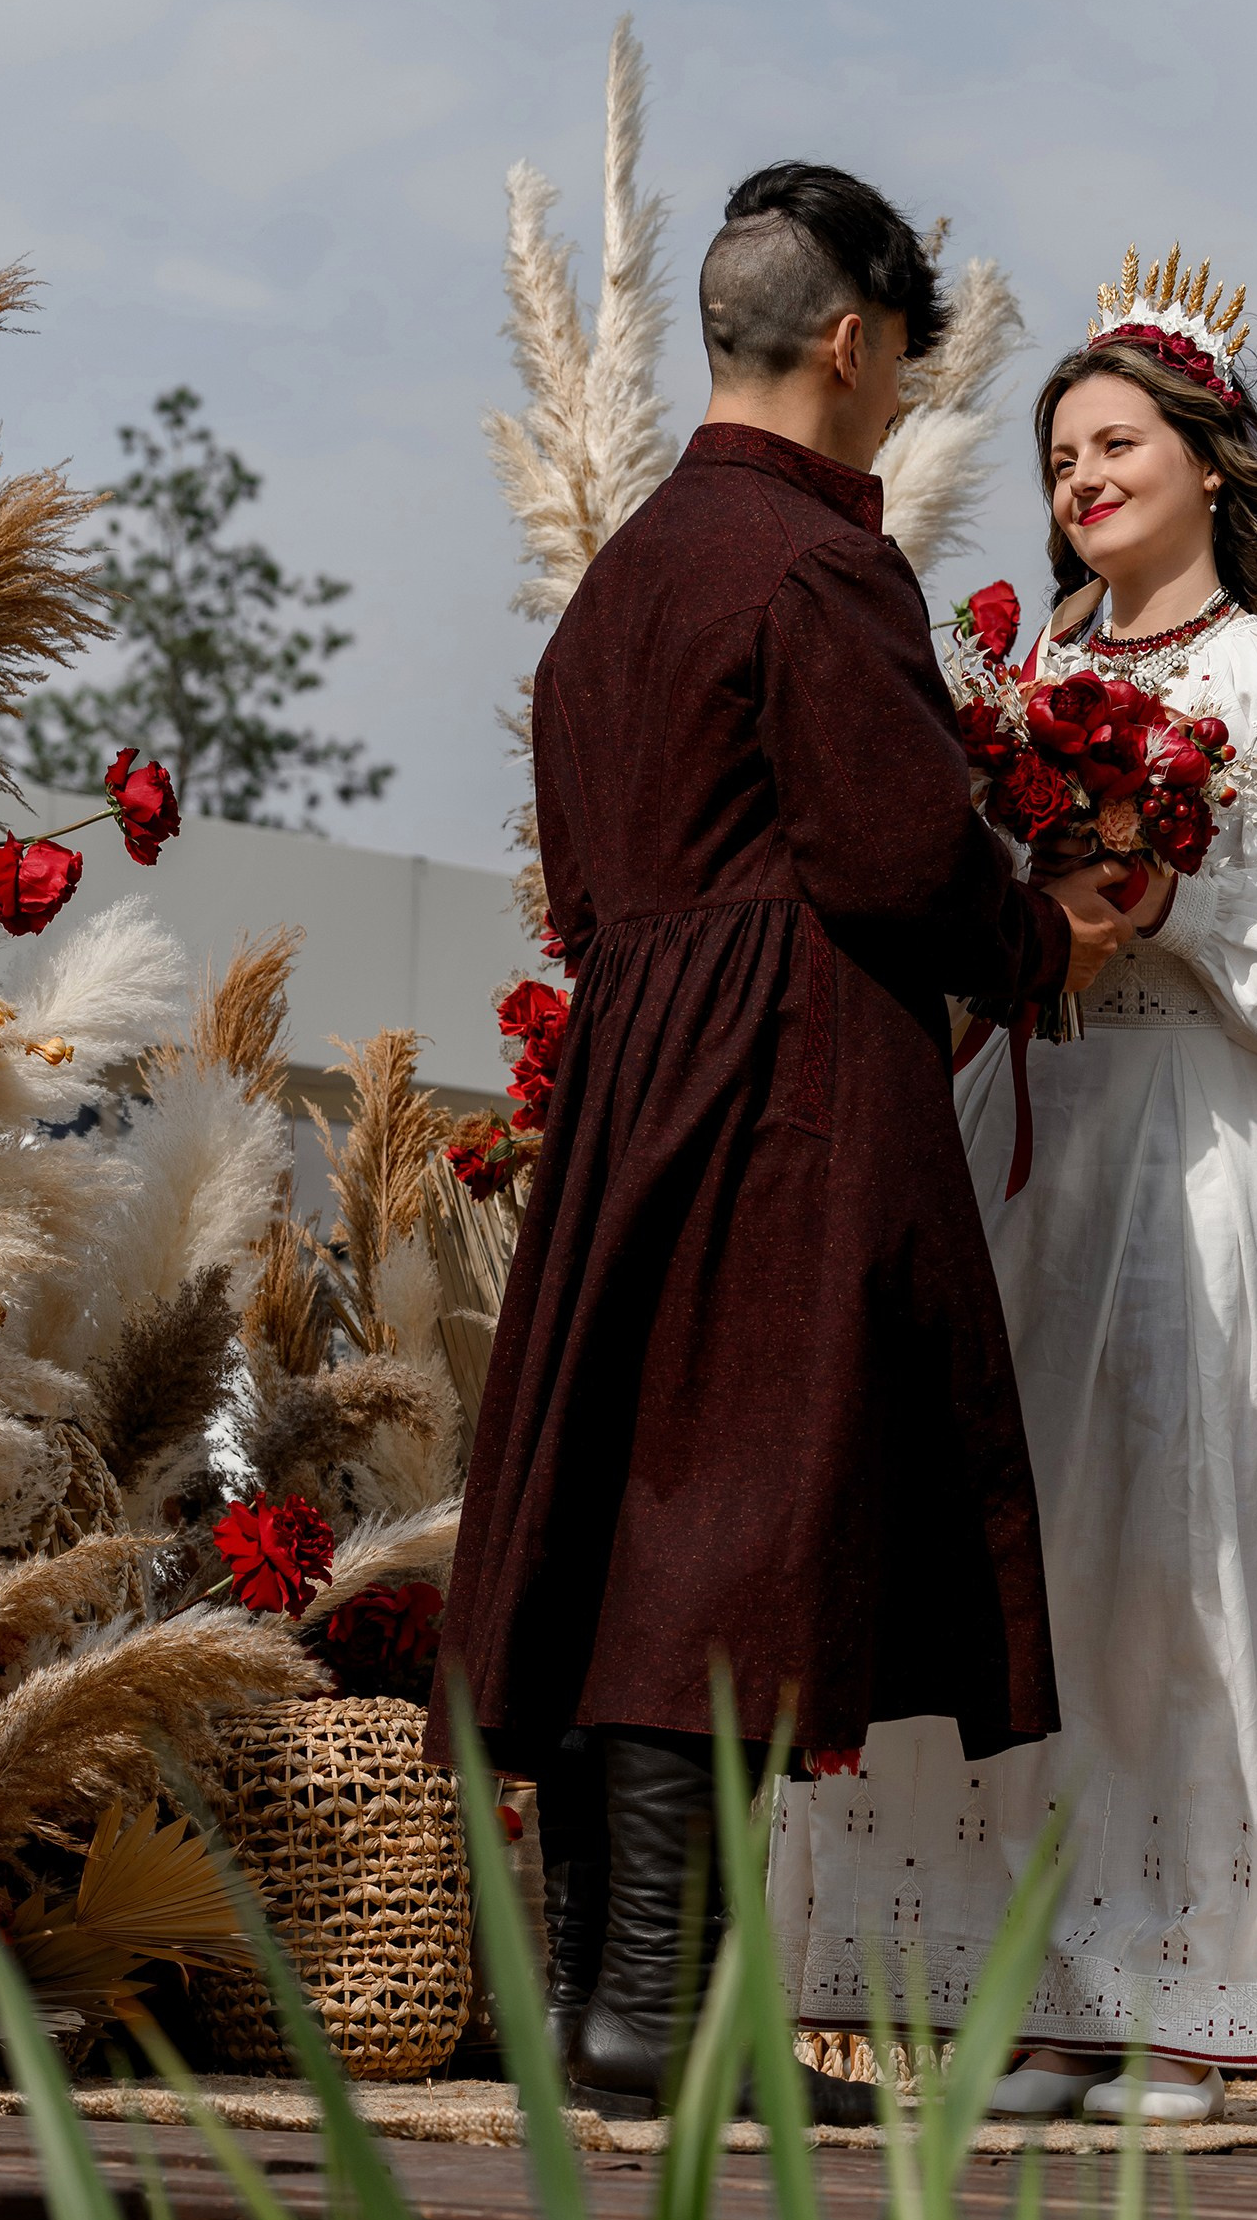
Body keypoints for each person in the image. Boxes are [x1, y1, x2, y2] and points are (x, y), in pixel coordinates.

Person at [435, 163, 1134, 2120]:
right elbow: (900, 854)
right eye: (903, 352)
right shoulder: (820, 570)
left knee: (638, 1529)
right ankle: (666, 2016)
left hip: (636, 1069)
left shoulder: (624, 586)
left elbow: (580, 885)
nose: (907, 387)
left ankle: (619, 2012)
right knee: (739, 1537)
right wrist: (1048, 934)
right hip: (790, 1083)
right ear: (851, 341)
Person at [776, 246, 1257, 2120]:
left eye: (1114, 441)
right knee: (1025, 1569)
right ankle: (1035, 1991)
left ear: (1208, 462)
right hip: (1034, 1137)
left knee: (1186, 1567)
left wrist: (1182, 882)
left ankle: (1195, 1997)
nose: (1080, 478)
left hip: (1211, 1152)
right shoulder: (1037, 670)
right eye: (1060, 453)